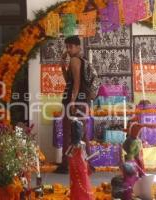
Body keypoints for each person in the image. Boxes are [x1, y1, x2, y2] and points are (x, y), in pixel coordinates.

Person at [56, 36, 90, 173]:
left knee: (70, 132)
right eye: (67, 47)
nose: (68, 49)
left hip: (75, 101)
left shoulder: (76, 60)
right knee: (79, 132)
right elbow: (68, 81)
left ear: (78, 47)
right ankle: (82, 164)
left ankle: (69, 165)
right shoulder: (79, 60)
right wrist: (63, 65)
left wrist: (72, 102)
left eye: (71, 47)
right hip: (80, 100)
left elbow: (76, 84)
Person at [65, 118, 93, 200]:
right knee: (83, 180)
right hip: (81, 165)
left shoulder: (72, 145)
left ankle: (76, 196)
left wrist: (72, 159)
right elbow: (84, 155)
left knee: (75, 181)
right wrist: (86, 161)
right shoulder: (82, 144)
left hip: (74, 165)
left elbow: (67, 154)